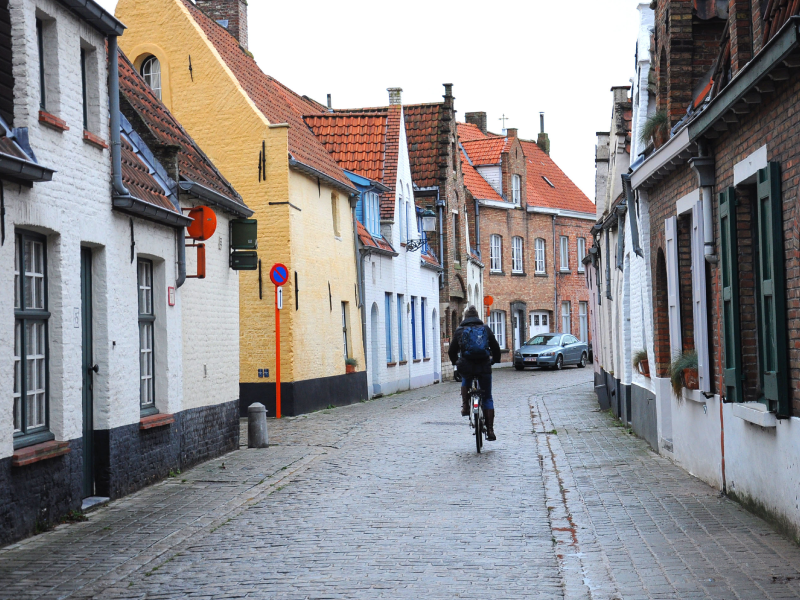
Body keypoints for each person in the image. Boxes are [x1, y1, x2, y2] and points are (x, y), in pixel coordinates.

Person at [448, 306, 501, 440]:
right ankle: (490, 430)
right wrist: (494, 360)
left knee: (466, 378)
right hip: (484, 366)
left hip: (467, 366)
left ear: (465, 317)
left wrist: (456, 363)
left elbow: (452, 351)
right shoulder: (485, 329)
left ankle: (466, 406)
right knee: (487, 397)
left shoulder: (460, 330)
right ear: (477, 317)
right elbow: (495, 347)